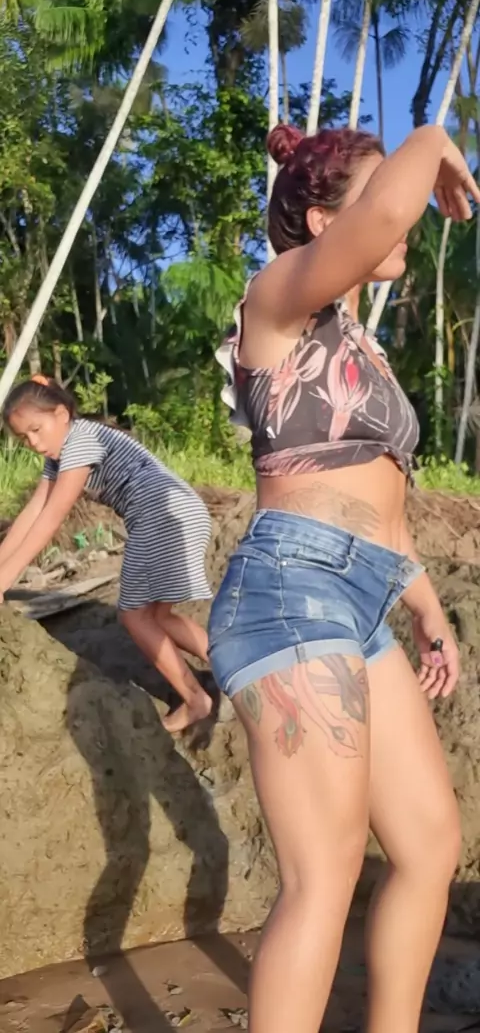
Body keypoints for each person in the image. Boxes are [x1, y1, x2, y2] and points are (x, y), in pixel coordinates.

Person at [208, 122, 480, 1033]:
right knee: (321, 874)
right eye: (368, 198)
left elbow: (381, 505)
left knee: (429, 843)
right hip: (290, 589)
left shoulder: (360, 344)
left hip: (363, 597)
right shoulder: (277, 301)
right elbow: (390, 213)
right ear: (324, 221)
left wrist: (426, 609)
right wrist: (433, 139)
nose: (398, 221)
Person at [1, 375, 213, 732]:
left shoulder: (80, 440)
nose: (34, 443)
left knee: (134, 616)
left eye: (37, 429)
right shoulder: (60, 454)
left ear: (61, 414)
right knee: (157, 616)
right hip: (182, 511)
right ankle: (237, 672)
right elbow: (32, 513)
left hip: (161, 515)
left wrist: (5, 579)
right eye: (24, 438)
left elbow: (52, 517)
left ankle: (196, 700)